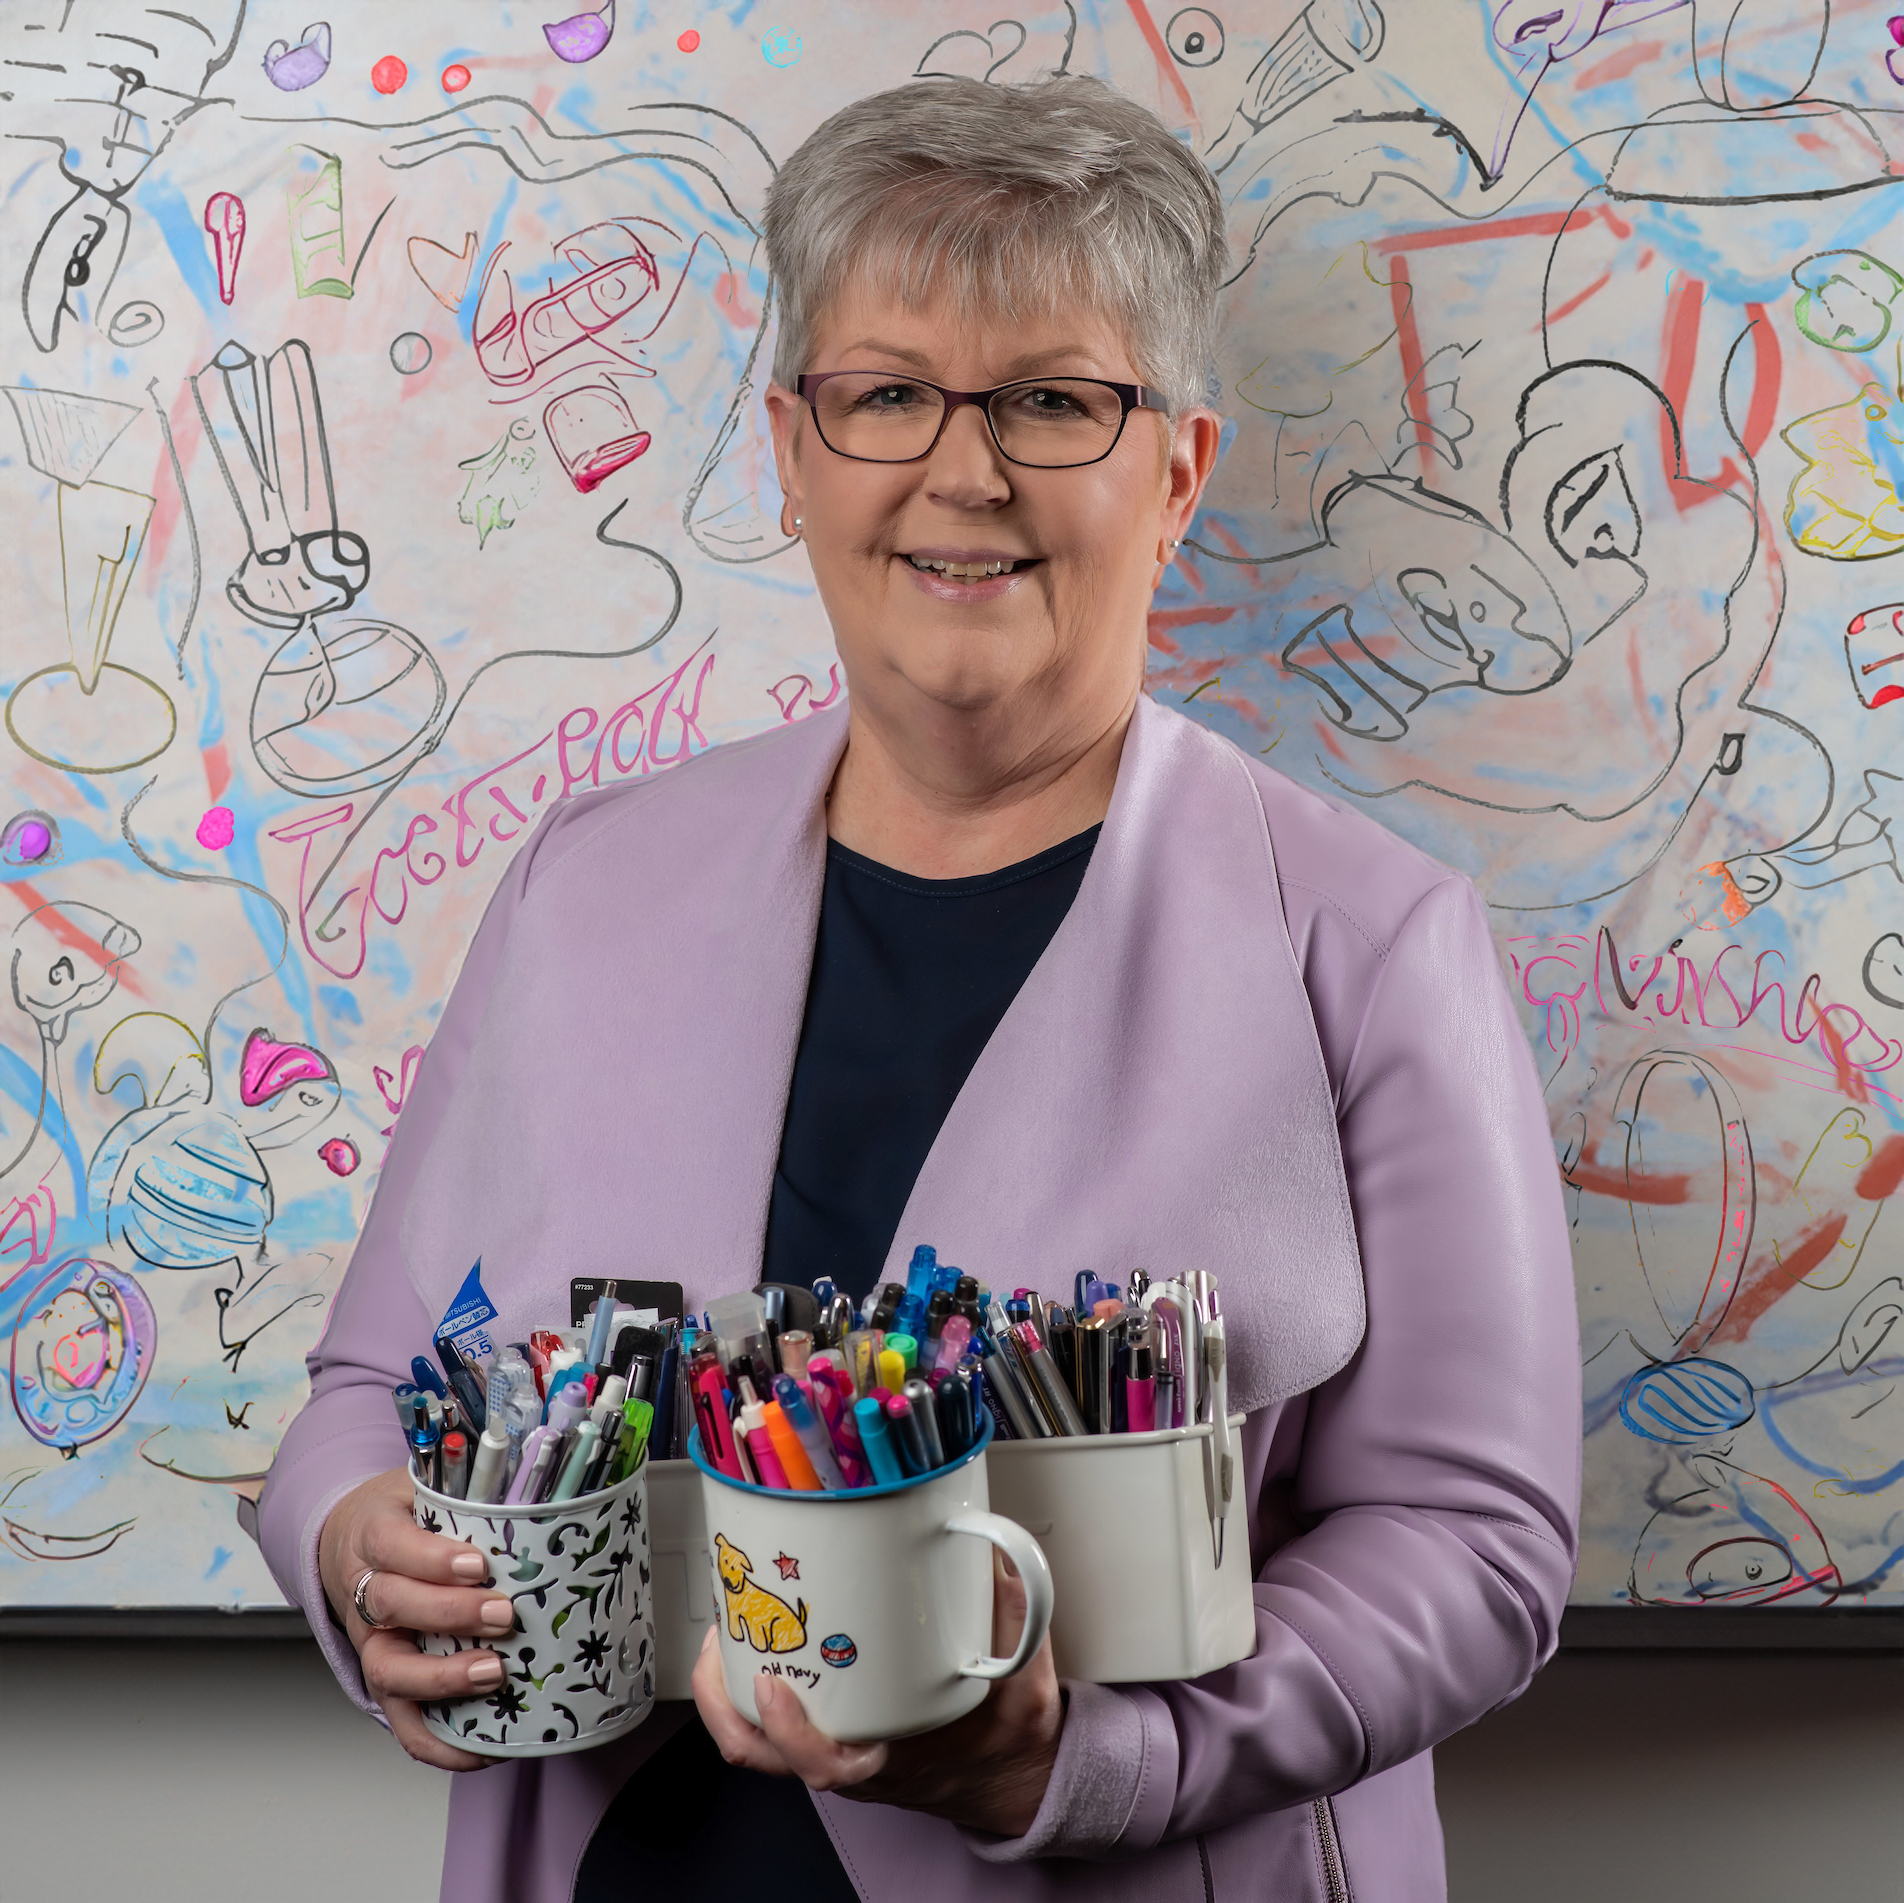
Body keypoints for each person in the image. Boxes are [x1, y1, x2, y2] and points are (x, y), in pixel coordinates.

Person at [256, 73, 1580, 1903]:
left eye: (1054, 399)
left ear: (1177, 469)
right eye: (889, 395)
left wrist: (1089, 1753)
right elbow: (367, 1381)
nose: (965, 472)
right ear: (796, 452)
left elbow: (1476, 1545)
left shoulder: (1368, 942)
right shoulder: (589, 884)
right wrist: (353, 1547)